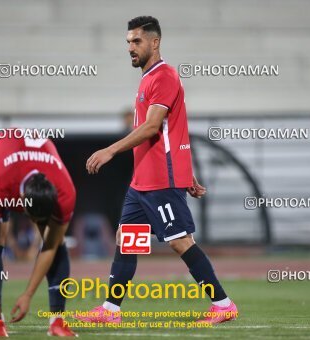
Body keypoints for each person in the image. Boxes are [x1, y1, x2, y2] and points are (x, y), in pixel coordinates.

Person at [80, 16, 238, 325]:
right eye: (128, 42)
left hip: (160, 180)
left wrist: (111, 149)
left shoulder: (164, 76)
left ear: (155, 42)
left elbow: (153, 128)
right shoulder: (148, 77)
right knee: (127, 238)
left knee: (180, 241)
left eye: (136, 41)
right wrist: (187, 171)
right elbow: (172, 131)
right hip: (144, 181)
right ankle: (111, 310)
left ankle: (223, 303)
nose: (130, 47)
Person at [0, 132, 77, 337]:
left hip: (29, 159)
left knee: (57, 243)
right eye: (34, 218)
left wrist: (28, 294)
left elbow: (49, 246)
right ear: (20, 201)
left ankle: (57, 320)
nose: (36, 224)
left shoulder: (66, 192)